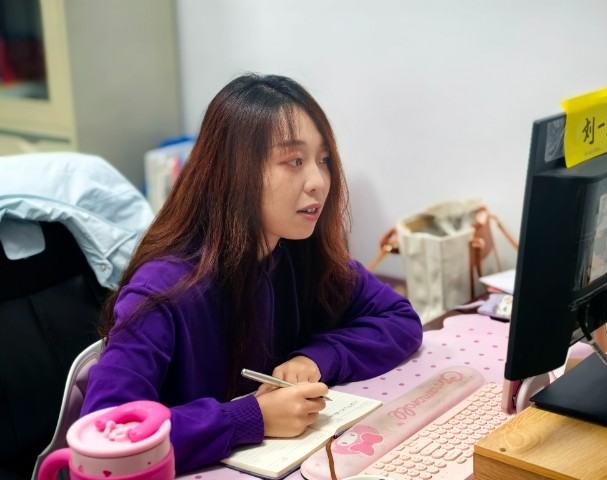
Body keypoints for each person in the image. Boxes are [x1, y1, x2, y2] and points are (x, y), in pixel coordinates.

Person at [81, 73, 423, 474]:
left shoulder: (299, 250)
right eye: (294, 161)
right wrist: (251, 417)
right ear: (233, 172)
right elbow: (107, 438)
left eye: (323, 160)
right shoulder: (163, 291)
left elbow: (400, 319)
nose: (319, 181)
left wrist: (317, 358)